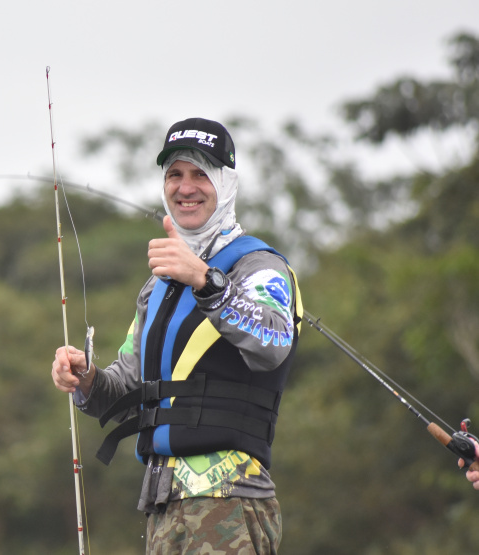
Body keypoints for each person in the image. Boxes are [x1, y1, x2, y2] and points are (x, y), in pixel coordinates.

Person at [52, 117, 302, 554]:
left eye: (200, 174)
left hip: (231, 501)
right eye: (175, 174)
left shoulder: (260, 267)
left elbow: (274, 342)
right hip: (162, 506)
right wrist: (85, 377)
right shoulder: (158, 286)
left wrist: (205, 280)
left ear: (225, 183)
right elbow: (122, 389)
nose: (185, 187)